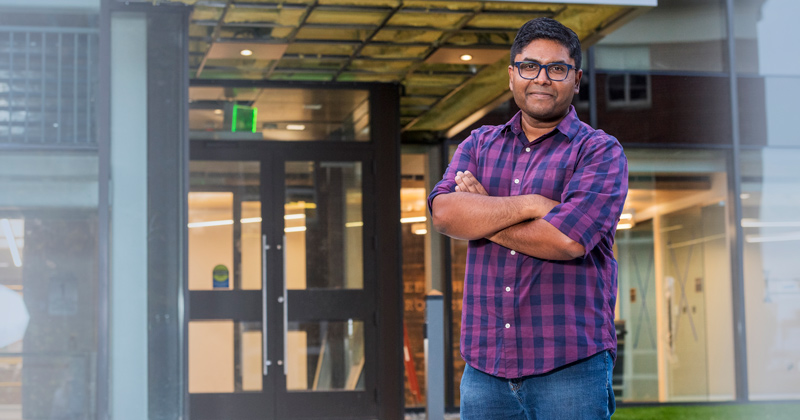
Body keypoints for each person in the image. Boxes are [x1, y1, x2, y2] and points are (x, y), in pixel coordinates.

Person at [427, 17, 628, 420]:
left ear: (576, 79)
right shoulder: (479, 144)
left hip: (570, 366)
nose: (541, 78)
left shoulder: (599, 152)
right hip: (485, 370)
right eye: (529, 66)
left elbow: (566, 241)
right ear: (511, 75)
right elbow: (445, 213)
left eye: (557, 69)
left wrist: (485, 212)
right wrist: (532, 204)